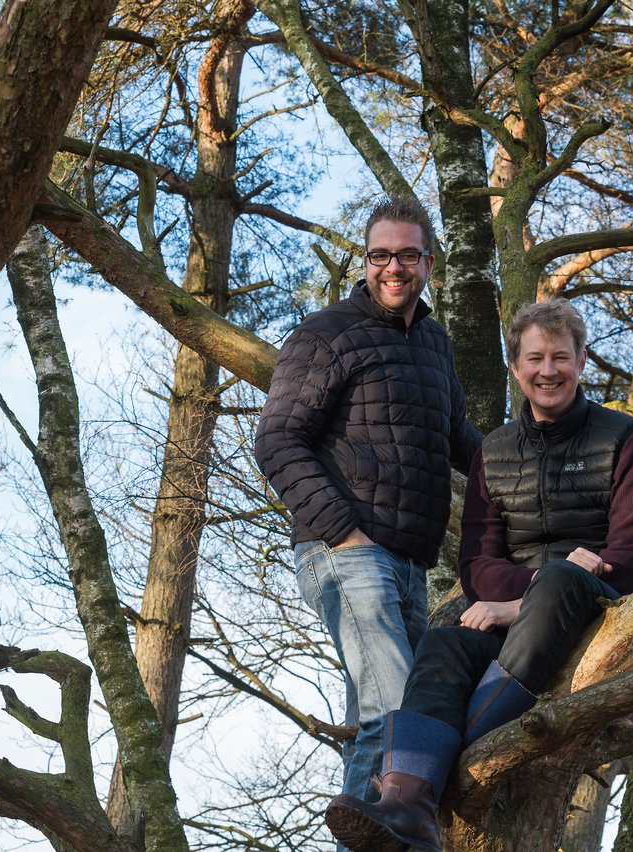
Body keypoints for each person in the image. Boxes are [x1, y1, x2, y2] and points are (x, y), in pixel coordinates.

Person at [324, 299, 633, 852]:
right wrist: (525, 597)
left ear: (582, 361)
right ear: (516, 367)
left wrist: (537, 590)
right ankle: (406, 808)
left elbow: (629, 557)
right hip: (516, 624)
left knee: (561, 579)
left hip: (596, 608)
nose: (548, 370)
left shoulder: (624, 439)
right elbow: (477, 565)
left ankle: (455, 750)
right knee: (441, 645)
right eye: (535, 358)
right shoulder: (496, 450)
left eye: (561, 357)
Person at [254, 196, 482, 829]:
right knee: (398, 707)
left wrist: (524, 471)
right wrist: (343, 534)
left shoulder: (435, 344)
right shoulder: (325, 333)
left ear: (428, 263)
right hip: (346, 550)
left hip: (410, 561)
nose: (393, 267)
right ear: (366, 259)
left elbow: (453, 435)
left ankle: (370, 838)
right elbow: (276, 440)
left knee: (397, 720)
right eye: (381, 254)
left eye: (407, 255)